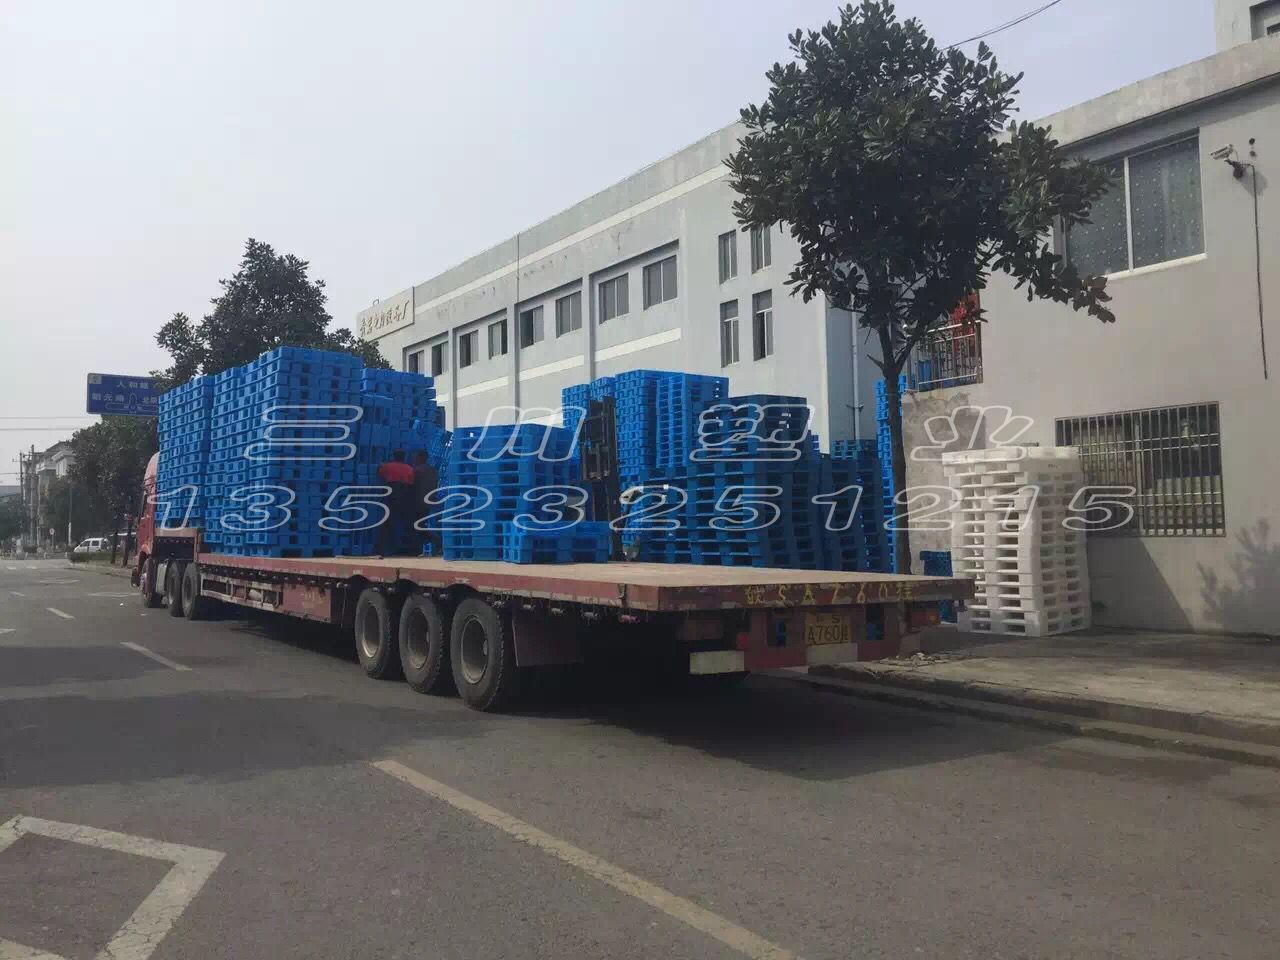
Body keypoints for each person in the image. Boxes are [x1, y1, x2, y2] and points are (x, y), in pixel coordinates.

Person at [375, 450, 415, 556]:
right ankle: (409, 548)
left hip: (391, 494)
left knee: (387, 522)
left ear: (394, 456)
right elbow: (411, 481)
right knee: (405, 522)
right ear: (404, 457)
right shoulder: (409, 469)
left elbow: (380, 473)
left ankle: (381, 549)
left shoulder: (387, 466)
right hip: (405, 495)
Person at [410, 450, 439, 556]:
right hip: (428, 501)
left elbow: (412, 486)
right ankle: (433, 542)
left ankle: (435, 541)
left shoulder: (417, 470)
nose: (414, 459)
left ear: (420, 458)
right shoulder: (433, 471)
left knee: (416, 526)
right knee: (419, 525)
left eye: (415, 457)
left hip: (418, 502)